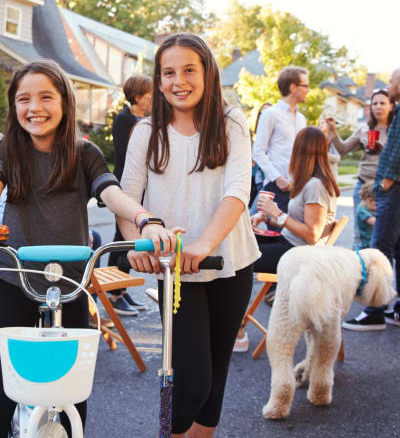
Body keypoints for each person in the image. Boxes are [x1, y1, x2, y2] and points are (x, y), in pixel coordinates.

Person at [0, 59, 175, 437]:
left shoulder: (83, 152)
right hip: (13, 276)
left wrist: (145, 219)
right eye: (24, 99)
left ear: (64, 102)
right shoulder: (6, 151)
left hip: (72, 283)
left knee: (72, 389)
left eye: (46, 97)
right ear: (14, 106)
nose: (35, 108)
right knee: (4, 383)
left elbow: (111, 192)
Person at [116, 33, 260, 438]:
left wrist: (204, 244)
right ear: (158, 83)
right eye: (169, 73)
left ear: (207, 73)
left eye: (189, 70)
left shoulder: (231, 122)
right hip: (176, 271)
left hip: (230, 261)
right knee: (190, 382)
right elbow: (127, 198)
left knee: (214, 382)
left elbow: (237, 191)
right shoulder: (146, 131)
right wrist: (136, 244)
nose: (179, 80)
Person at [343, 66, 400, 331]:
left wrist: (383, 185)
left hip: (397, 193)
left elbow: (398, 154)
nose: (390, 85)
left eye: (393, 82)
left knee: (379, 251)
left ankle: (374, 312)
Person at [235, 126, 339, 351]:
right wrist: (268, 218)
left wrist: (277, 213)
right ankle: (238, 325)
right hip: (290, 246)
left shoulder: (315, 186)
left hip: (297, 255)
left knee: (238, 261)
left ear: (301, 152)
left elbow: (312, 235)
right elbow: (298, 226)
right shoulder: (312, 183)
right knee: (240, 245)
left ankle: (238, 331)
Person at [325, 89, 394, 248]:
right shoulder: (364, 128)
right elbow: (342, 149)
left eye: (382, 103)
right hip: (363, 187)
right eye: (374, 103)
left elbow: (399, 160)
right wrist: (333, 131)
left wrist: (382, 149)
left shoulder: (395, 130)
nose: (378, 107)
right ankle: (358, 269)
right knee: (360, 233)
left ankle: (377, 268)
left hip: (383, 186)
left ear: (390, 106)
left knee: (381, 232)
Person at [108, 74, 153, 316]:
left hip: (142, 188)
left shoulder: (147, 120)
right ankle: (114, 293)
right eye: (149, 95)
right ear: (137, 97)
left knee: (132, 240)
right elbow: (126, 158)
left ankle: (122, 290)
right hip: (125, 188)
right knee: (121, 242)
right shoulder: (124, 120)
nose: (153, 99)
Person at [252, 66, 308, 214]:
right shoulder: (271, 114)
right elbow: (257, 151)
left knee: (295, 235)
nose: (308, 90)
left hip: (299, 189)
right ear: (293, 87)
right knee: (277, 236)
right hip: (276, 188)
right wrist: (277, 178)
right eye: (305, 86)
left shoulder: (302, 119)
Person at [249, 102, 272, 209]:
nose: (264, 116)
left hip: (267, 185)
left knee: (252, 215)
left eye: (268, 113)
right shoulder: (256, 139)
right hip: (253, 183)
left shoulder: (276, 141)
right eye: (261, 114)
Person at [357, 180, 376, 250]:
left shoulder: (368, 207)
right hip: (367, 245)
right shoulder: (362, 210)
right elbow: (373, 221)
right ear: (372, 200)